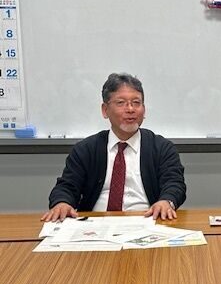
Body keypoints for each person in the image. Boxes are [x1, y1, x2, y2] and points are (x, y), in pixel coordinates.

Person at [41, 73, 186, 222]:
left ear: (144, 110)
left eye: (136, 102)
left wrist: (166, 201)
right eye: (121, 103)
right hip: (95, 224)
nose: (130, 109)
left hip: (147, 221)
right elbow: (67, 186)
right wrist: (62, 203)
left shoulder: (162, 148)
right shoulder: (86, 149)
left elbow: (174, 183)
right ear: (105, 110)